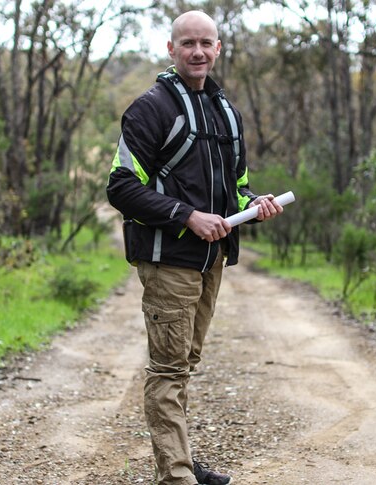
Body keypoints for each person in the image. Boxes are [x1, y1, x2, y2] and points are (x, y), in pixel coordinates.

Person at [107, 10, 283, 485]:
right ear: (171, 49)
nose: (198, 51)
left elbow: (236, 186)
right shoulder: (149, 110)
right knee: (168, 369)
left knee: (184, 364)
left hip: (213, 260)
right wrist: (187, 215)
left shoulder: (227, 112)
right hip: (168, 260)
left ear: (219, 48)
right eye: (188, 43)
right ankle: (177, 477)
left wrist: (253, 203)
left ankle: (178, 459)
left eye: (206, 43)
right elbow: (121, 187)